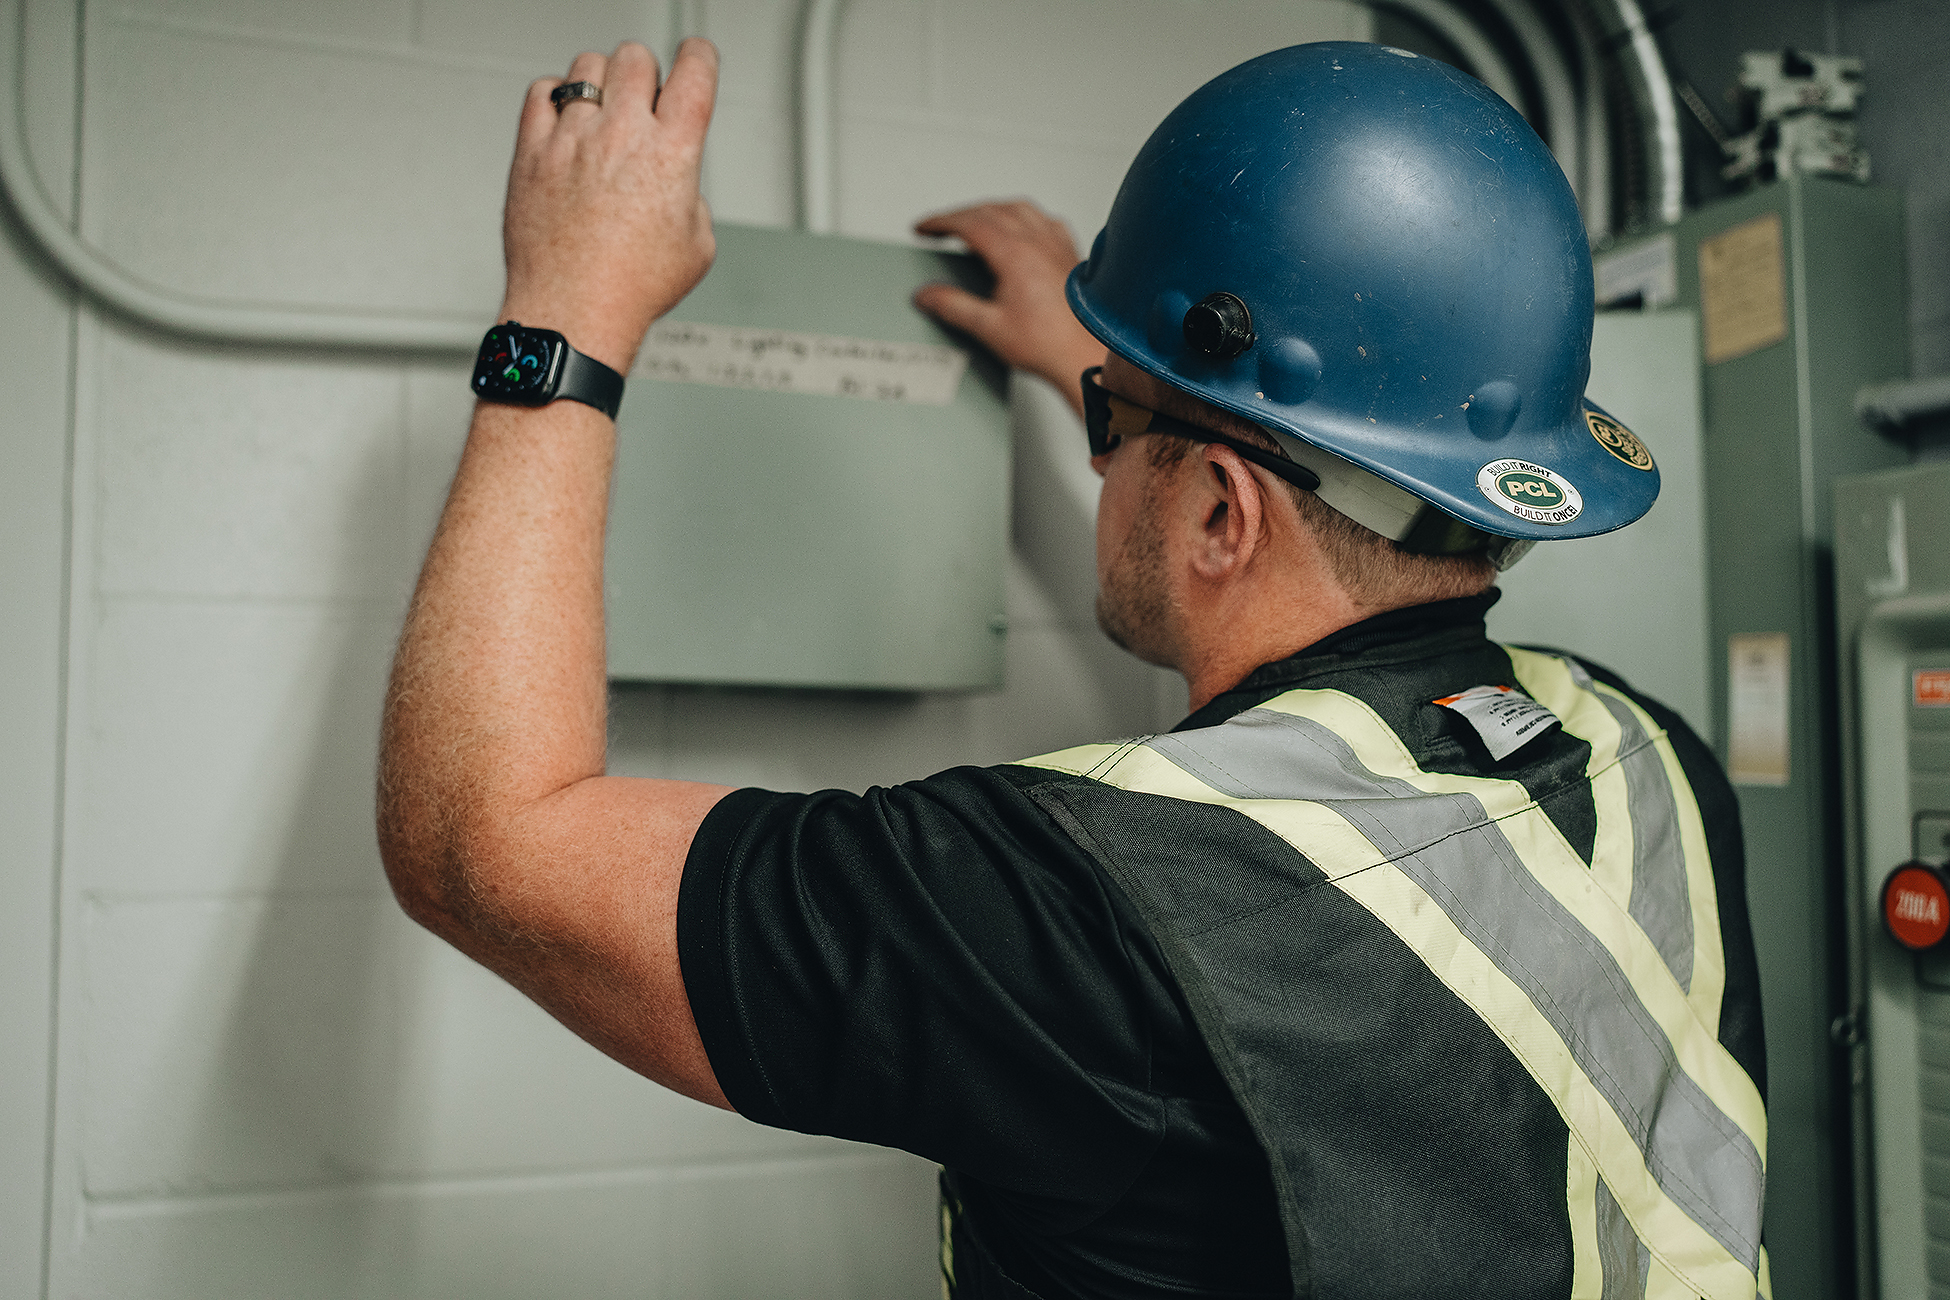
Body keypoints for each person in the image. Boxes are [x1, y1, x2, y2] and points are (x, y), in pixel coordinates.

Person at [378, 35, 1768, 1300]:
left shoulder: (1083, 908)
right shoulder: (1644, 764)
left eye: (1114, 421)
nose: (1096, 450)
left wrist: (566, 311)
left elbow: (474, 841)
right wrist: (1129, 378)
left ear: (1223, 514)